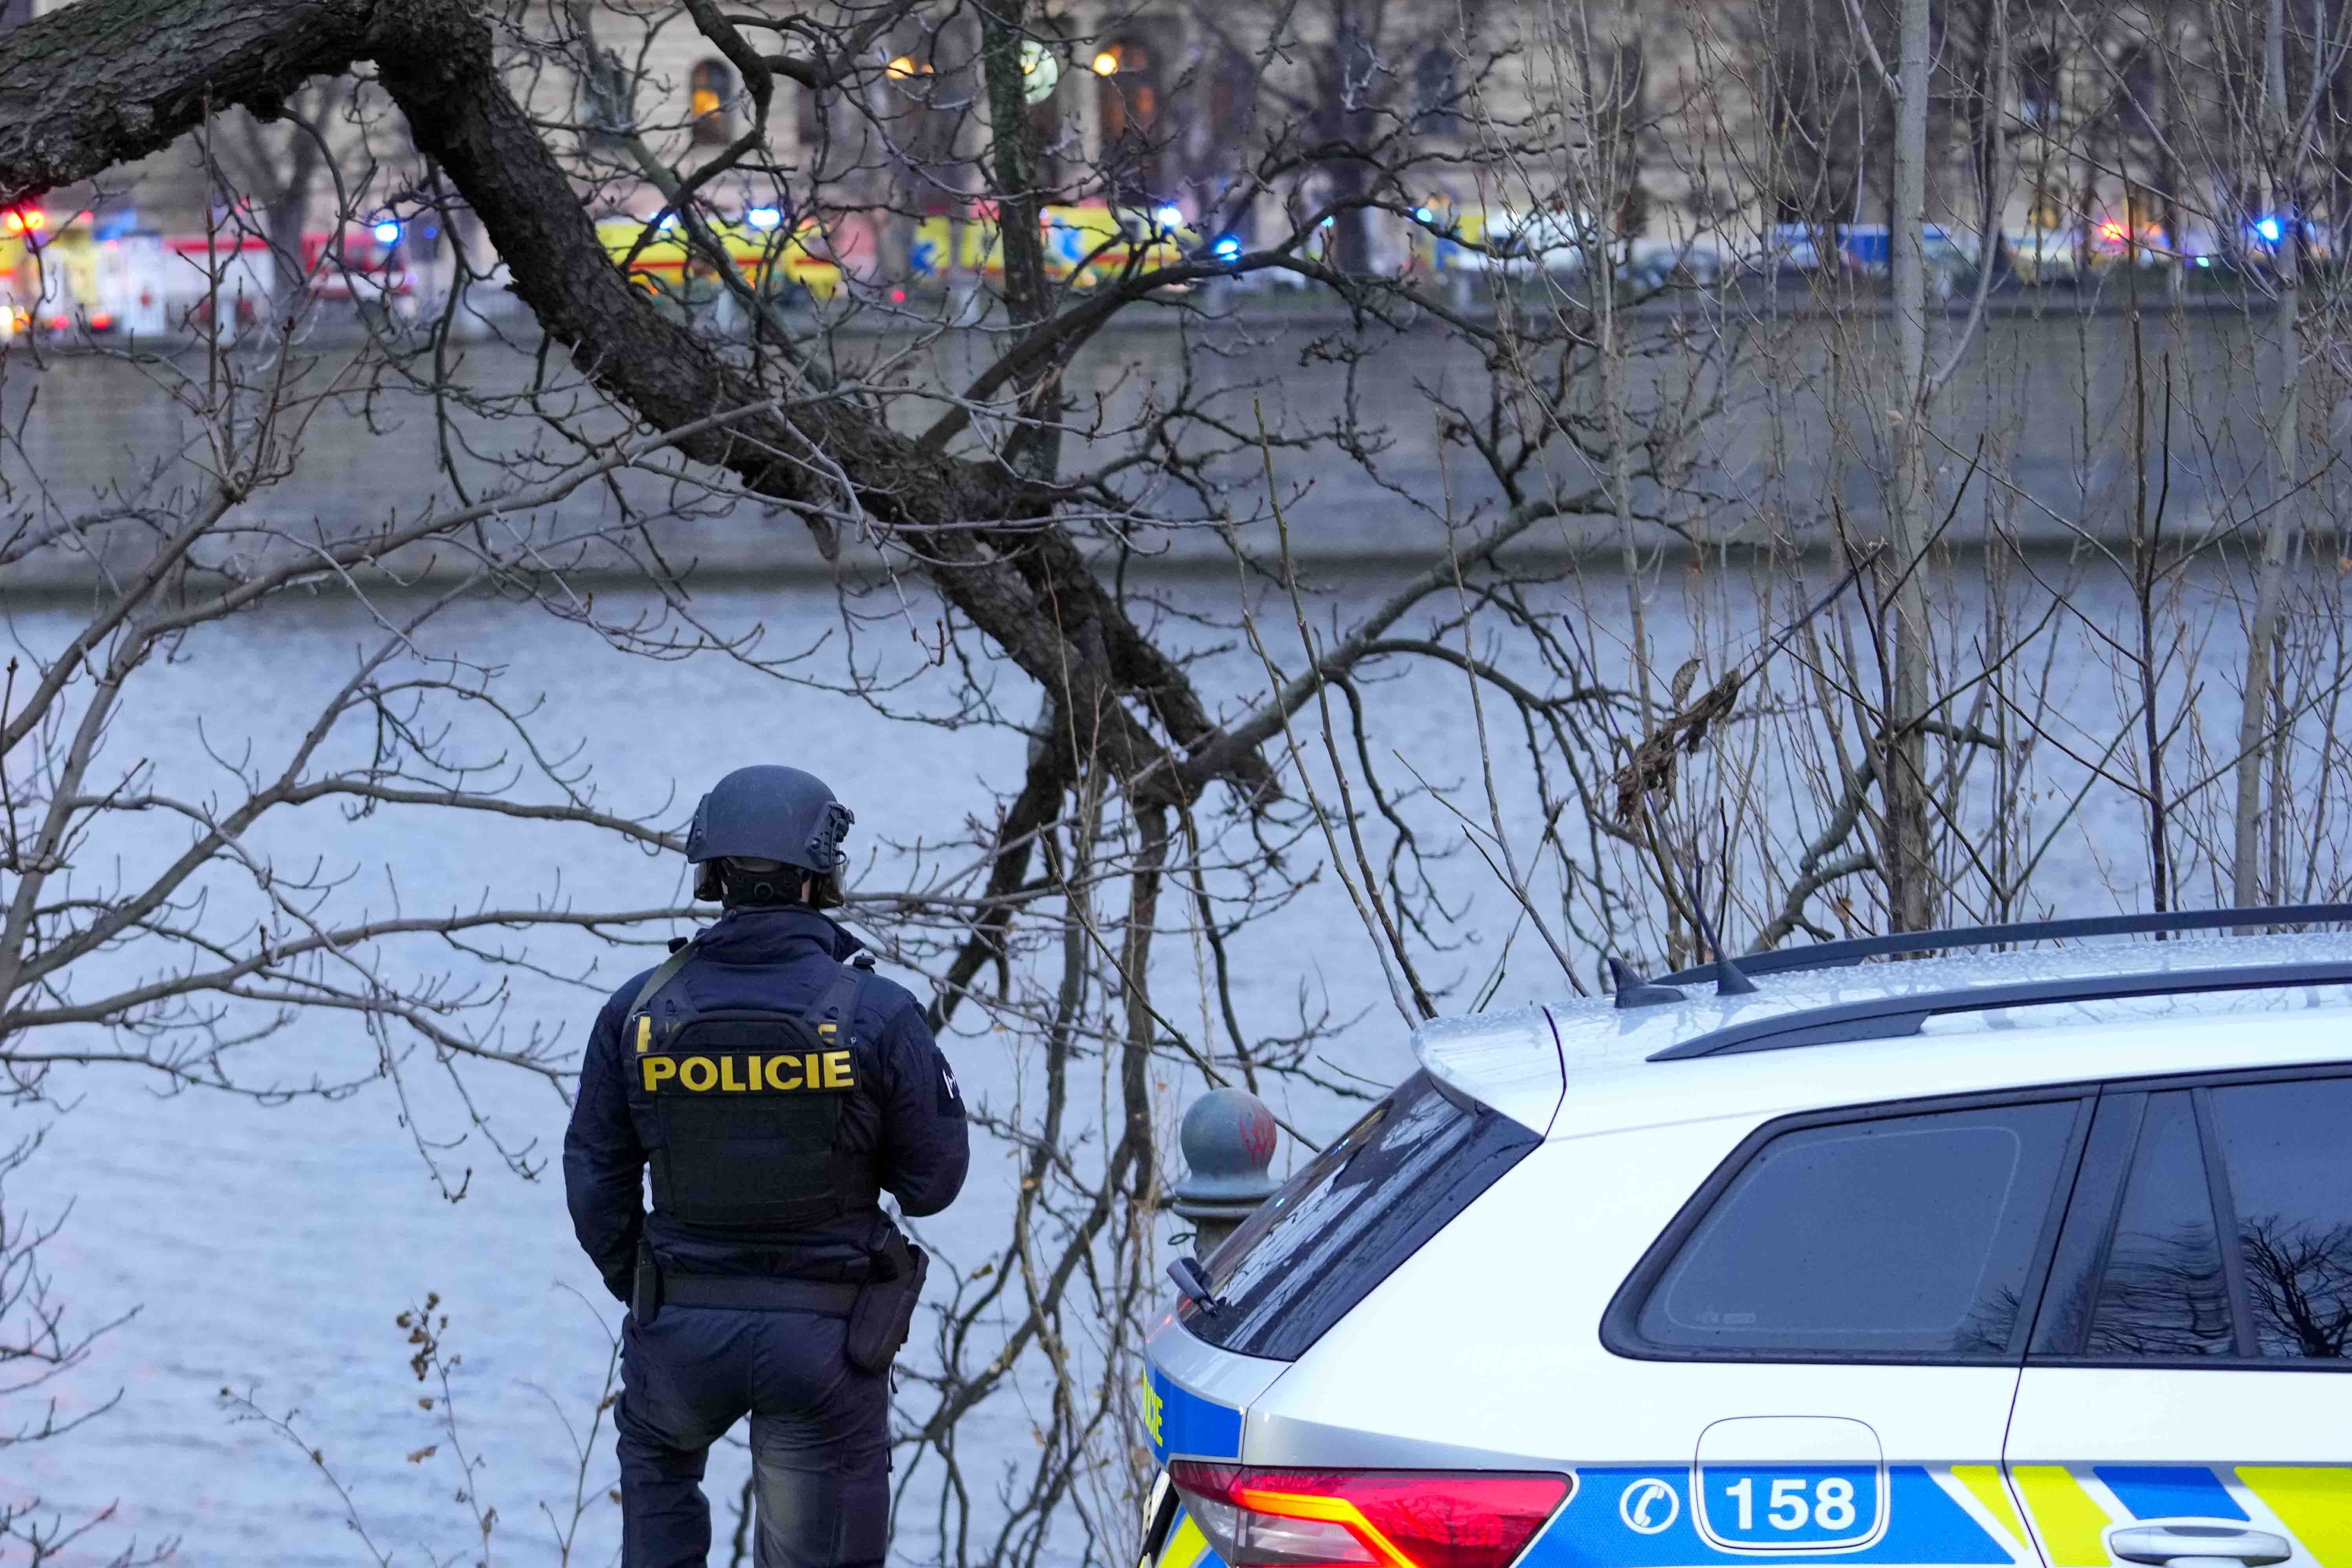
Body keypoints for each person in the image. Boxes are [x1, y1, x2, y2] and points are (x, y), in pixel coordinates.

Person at [564, 765, 969, 1568]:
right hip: (824, 1339)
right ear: (826, 874)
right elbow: (933, 1182)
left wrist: (651, 1290)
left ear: (709, 873)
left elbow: (594, 1180)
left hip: (676, 1327)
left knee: (658, 1516)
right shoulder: (876, 1012)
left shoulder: (636, 1009)